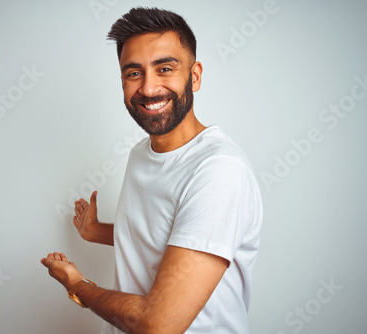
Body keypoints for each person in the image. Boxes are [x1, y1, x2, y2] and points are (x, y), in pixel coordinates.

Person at [41, 7, 263, 334]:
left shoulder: (218, 171)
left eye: (165, 68)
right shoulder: (140, 154)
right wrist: (96, 231)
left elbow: (158, 324)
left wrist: (78, 285)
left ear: (195, 75)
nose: (148, 88)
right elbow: (160, 237)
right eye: (133, 73)